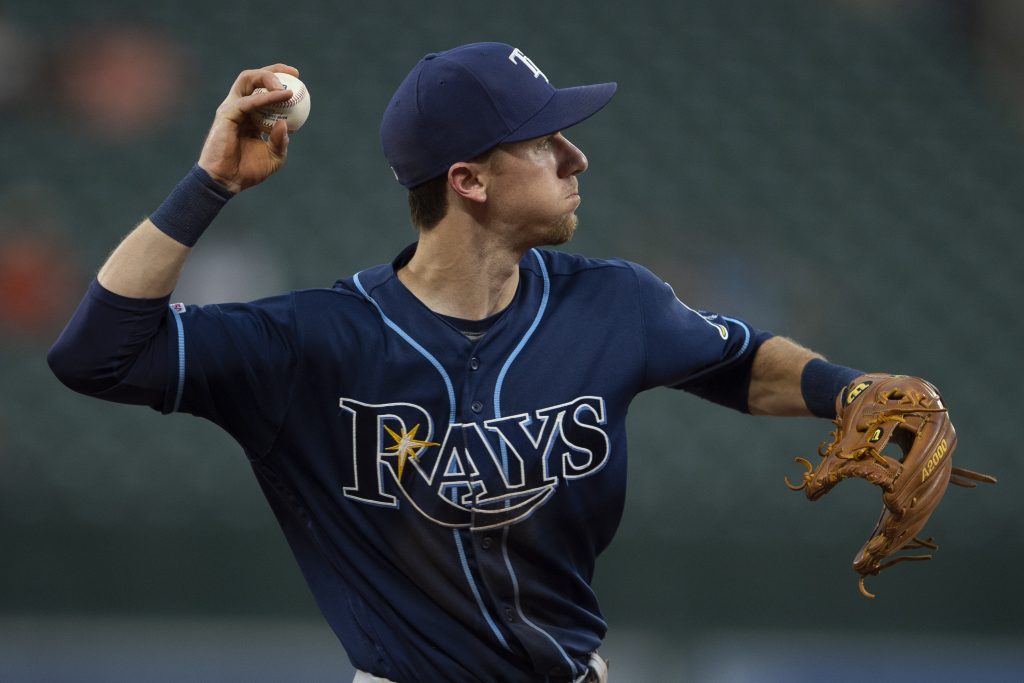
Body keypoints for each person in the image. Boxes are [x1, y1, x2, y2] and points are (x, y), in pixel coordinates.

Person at [48, 43, 871, 683]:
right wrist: (210, 184)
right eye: (545, 141)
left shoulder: (615, 302)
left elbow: (740, 360)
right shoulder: (314, 344)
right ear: (469, 179)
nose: (575, 158)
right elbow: (95, 354)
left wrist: (850, 392)